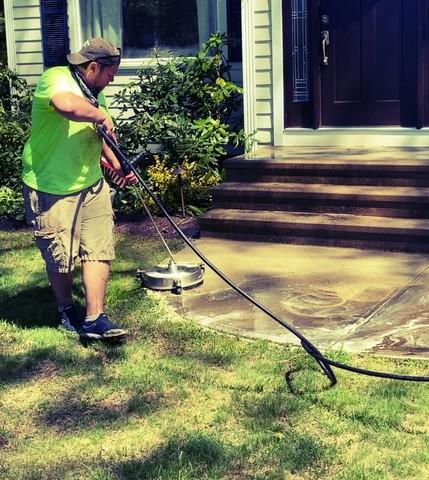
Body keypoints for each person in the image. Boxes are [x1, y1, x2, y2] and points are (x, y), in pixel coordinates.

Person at [22, 38, 136, 340]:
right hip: (51, 184)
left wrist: (122, 167)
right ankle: (66, 309)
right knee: (61, 255)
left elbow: (104, 140)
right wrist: (99, 115)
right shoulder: (56, 78)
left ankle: (95, 318)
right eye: (111, 73)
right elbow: (66, 106)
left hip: (91, 184)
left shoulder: (97, 95)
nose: (112, 80)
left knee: (99, 249)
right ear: (93, 66)